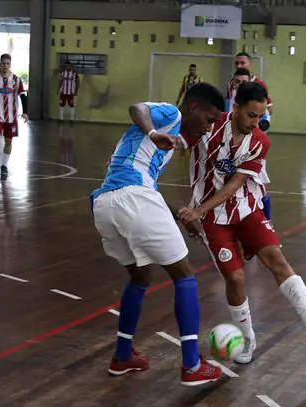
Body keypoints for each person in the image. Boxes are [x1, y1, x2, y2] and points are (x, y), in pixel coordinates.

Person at [178, 82, 306, 365]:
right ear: (236, 109)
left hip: (246, 209)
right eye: (251, 116)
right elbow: (179, 137)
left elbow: (233, 187)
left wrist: (197, 210)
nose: (256, 122)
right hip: (213, 220)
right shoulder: (208, 124)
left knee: (276, 259)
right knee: (235, 277)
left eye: (261, 116)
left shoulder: (259, 141)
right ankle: (247, 339)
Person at [91, 83, 227, 386]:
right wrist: (154, 133)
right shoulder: (171, 115)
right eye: (209, 119)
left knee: (140, 278)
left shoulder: (166, 143)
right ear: (193, 108)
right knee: (185, 275)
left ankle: (122, 356)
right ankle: (192, 365)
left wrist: (178, 214)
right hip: (131, 198)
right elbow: (137, 108)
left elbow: (140, 186)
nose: (209, 128)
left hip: (105, 204)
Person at [231, 52, 273, 220]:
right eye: (237, 63)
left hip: (251, 141)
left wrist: (259, 127)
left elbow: (267, 112)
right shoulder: (232, 88)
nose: (240, 66)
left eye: (243, 63)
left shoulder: (258, 87)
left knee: (258, 182)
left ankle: (266, 220)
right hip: (233, 139)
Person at [0, 53, 28, 182]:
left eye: (7, 64)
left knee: (8, 142)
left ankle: (4, 165)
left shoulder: (16, 80)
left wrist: (25, 111)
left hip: (11, 116)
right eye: (3, 63)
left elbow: (23, 97)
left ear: (10, 64)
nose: (5, 66)